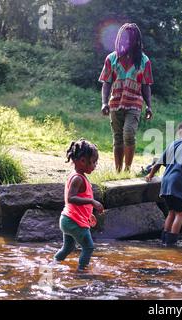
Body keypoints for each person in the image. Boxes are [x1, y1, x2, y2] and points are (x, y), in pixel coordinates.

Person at [99, 23, 154, 172]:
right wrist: (104, 103)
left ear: (137, 41)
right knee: (118, 138)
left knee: (128, 134)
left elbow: (145, 86)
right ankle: (118, 172)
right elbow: (106, 83)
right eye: (125, 39)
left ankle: (127, 170)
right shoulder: (111, 59)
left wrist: (149, 106)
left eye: (131, 39)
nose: (127, 42)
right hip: (115, 104)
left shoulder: (144, 61)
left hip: (134, 104)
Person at [145, 118, 182, 246]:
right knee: (180, 214)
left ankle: (164, 240)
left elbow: (159, 162)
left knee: (171, 212)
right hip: (179, 182)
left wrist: (150, 175)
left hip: (166, 182)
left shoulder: (172, 144)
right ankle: (171, 244)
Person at [54, 139, 104, 273]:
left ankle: (54, 263)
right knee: (88, 247)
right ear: (82, 161)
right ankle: (82, 272)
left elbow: (78, 200)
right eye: (93, 162)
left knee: (68, 248)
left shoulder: (78, 176)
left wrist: (88, 213)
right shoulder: (78, 178)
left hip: (67, 220)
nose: (95, 165)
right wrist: (92, 202)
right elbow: (71, 198)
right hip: (74, 222)